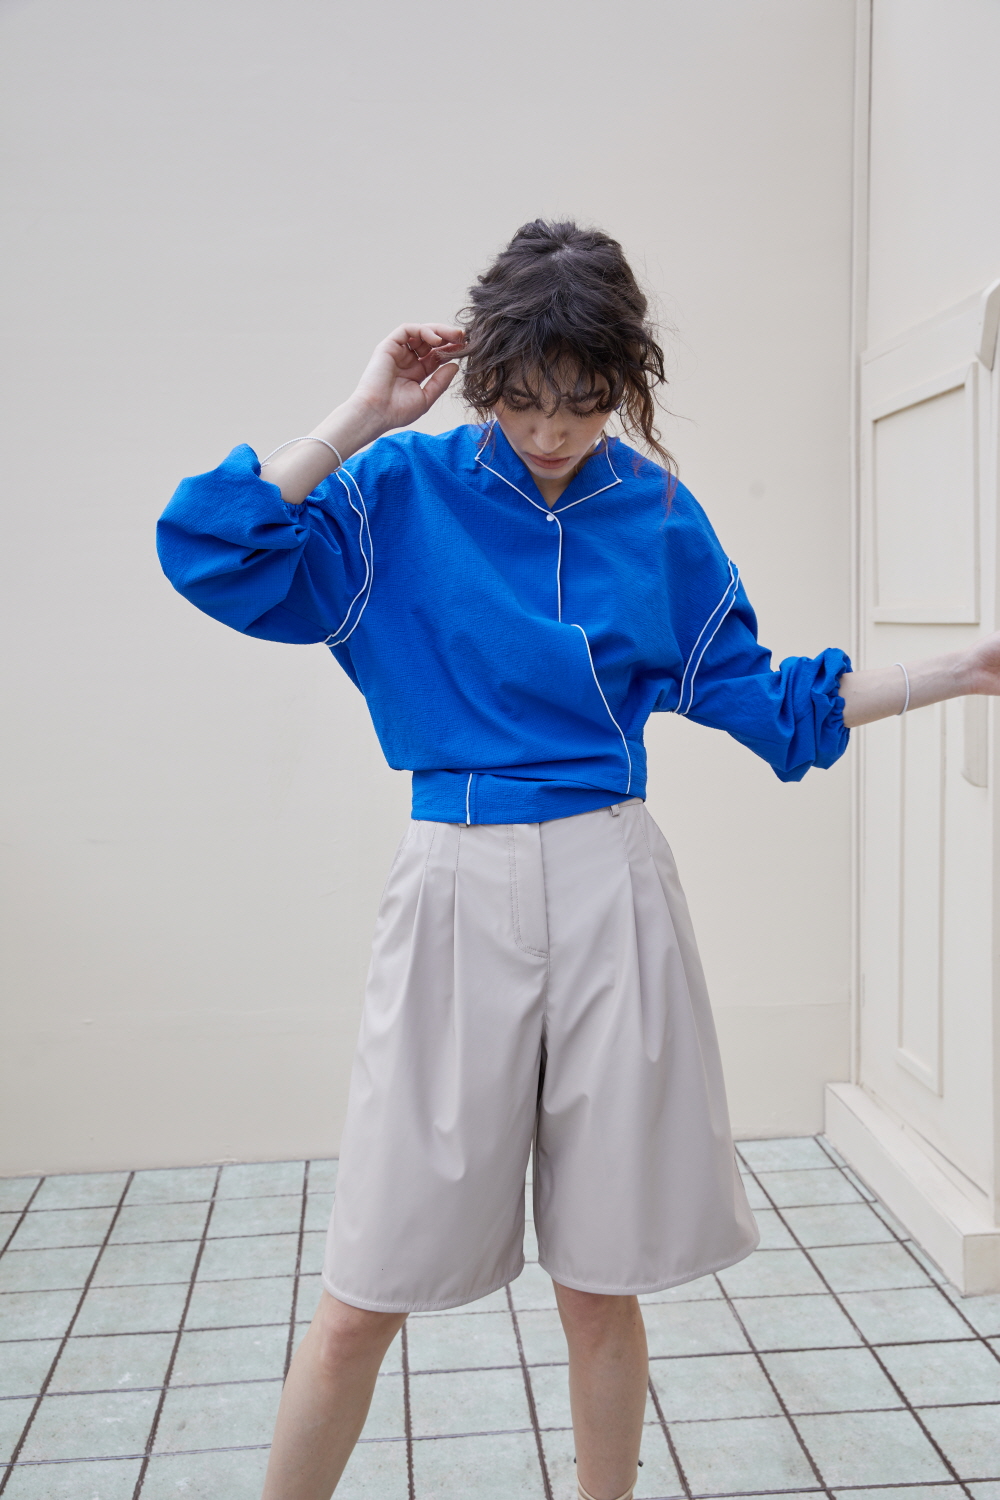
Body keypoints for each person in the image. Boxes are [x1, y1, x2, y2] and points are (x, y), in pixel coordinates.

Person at [156, 220, 1000, 1500]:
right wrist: (363, 415)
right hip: (453, 884)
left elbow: (771, 705)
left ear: (625, 384)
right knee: (362, 1292)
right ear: (481, 376)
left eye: (584, 401)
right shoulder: (398, 491)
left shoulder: (656, 515)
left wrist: (962, 669)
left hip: (615, 890)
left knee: (600, 1288)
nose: (551, 429)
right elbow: (213, 548)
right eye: (523, 398)